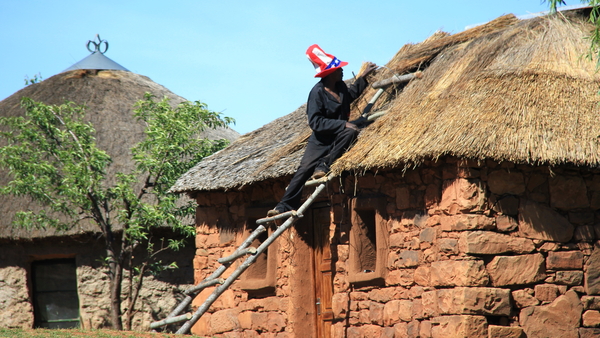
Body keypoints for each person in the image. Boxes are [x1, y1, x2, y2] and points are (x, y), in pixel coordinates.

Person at [268, 44, 378, 217]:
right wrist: (342, 124)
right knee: (304, 169)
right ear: (329, 73)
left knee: (351, 132)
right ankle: (284, 206)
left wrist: (363, 78)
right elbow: (316, 122)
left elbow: (349, 96)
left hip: (338, 136)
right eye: (339, 69)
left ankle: (324, 165)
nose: (342, 71)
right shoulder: (317, 93)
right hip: (320, 140)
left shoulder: (340, 87)